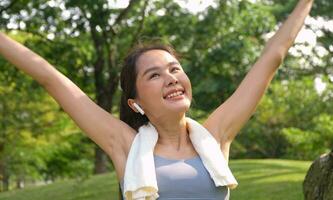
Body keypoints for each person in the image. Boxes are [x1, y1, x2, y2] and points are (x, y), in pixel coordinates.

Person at [0, 0, 314, 199]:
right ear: (136, 104)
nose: (171, 77)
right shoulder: (125, 144)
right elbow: (50, 78)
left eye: (174, 68)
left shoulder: (216, 137)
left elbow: (273, 57)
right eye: (154, 75)